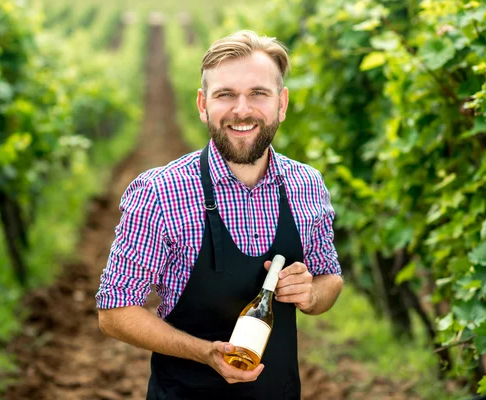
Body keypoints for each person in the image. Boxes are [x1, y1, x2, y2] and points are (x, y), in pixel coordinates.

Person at [96, 30, 343, 400]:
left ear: (282, 103)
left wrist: (311, 294)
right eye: (225, 94)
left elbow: (330, 279)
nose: (241, 110)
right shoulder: (160, 192)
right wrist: (204, 352)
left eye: (258, 93)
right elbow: (114, 311)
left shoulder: (307, 185)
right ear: (202, 103)